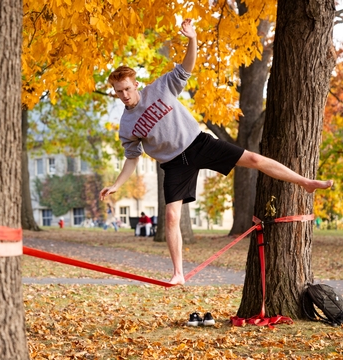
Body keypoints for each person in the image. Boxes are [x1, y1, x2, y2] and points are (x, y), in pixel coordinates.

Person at [100, 19, 333, 285]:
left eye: (128, 89)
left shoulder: (161, 87)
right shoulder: (127, 125)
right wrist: (117, 185)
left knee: (254, 159)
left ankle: (306, 182)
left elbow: (187, 68)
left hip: (199, 144)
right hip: (175, 164)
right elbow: (132, 158)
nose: (125, 95)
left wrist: (192, 39)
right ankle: (178, 273)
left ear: (135, 84)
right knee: (172, 216)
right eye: (119, 92)